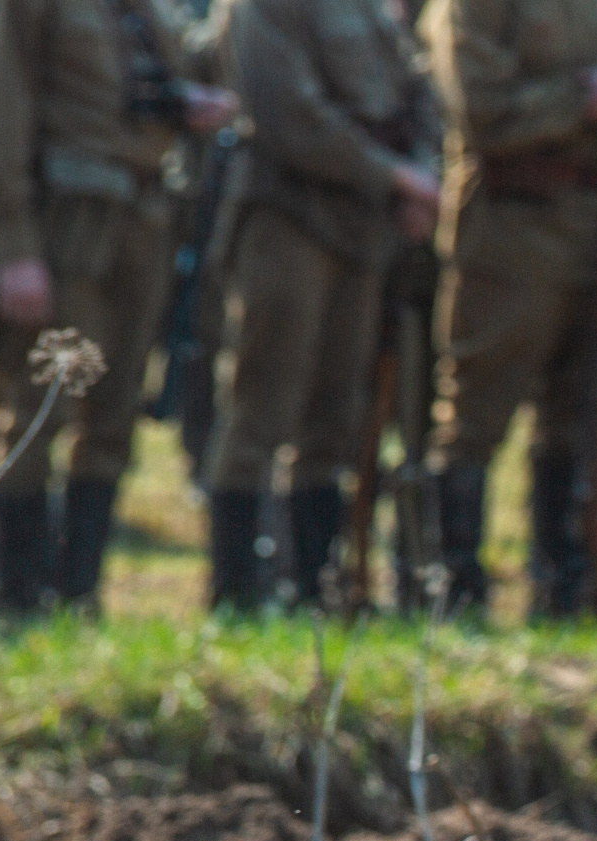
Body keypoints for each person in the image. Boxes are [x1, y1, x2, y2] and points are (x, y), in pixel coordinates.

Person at [0, 0, 238, 611]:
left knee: (112, 417)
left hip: (142, 215)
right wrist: (14, 246)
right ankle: (16, 601)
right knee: (38, 413)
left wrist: (181, 103)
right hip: (62, 224)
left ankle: (79, 597)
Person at [205, 0, 440, 612]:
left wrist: (416, 172)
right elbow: (289, 115)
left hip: (362, 227)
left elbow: (414, 93)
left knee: (337, 419)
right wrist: (393, 176)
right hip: (288, 218)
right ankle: (236, 593)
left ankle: (314, 588)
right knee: (262, 408)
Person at [422, 0, 597, 621]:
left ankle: (561, 591)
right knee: (476, 410)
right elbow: (481, 112)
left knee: (575, 413)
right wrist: (583, 101)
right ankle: (457, 587)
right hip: (511, 223)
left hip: (594, 224)